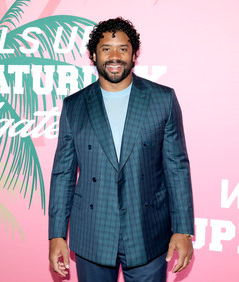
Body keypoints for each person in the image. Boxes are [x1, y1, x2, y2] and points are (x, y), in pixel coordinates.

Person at [48, 17, 194, 282]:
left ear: (134, 54)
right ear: (93, 55)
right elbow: (63, 174)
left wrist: (183, 230)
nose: (114, 56)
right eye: (106, 48)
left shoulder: (162, 99)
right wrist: (57, 235)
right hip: (92, 233)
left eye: (123, 48)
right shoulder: (74, 106)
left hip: (147, 232)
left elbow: (177, 167)